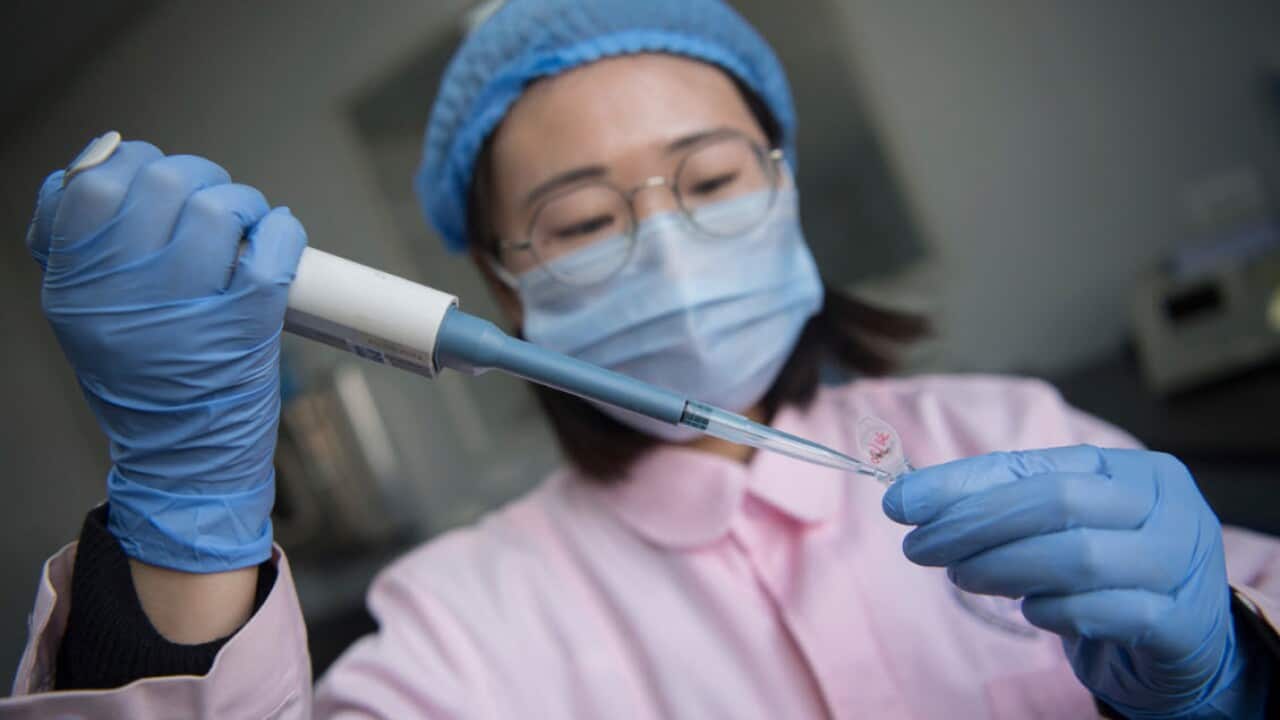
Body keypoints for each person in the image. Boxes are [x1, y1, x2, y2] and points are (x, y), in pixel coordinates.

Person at [4, 1, 1278, 717]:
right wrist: (184, 518)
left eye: (712, 179)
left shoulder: (1009, 424)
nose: (665, 246)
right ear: (506, 277)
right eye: (581, 220)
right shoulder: (463, 624)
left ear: (781, 189)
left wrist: (1230, 674)